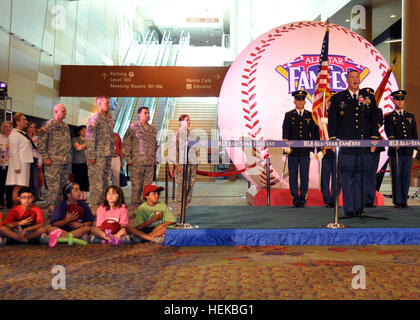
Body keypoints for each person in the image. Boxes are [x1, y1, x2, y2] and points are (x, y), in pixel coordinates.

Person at [328, 69, 379, 217]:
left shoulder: (368, 97)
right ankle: (349, 209)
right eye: (352, 77)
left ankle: (359, 208)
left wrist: (374, 138)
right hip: (346, 145)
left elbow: (374, 118)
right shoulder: (338, 98)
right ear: (347, 80)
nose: (355, 80)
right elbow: (333, 121)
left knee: (361, 177)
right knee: (348, 176)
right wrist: (332, 140)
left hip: (363, 145)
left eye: (357, 77)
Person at [282, 90, 320, 208]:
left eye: (302, 99)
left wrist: (313, 150)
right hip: (292, 152)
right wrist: (286, 148)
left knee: (304, 175)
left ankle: (303, 198)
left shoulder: (310, 115)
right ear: (294, 101)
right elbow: (285, 134)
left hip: (305, 152)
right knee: (293, 175)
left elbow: (314, 135)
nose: (300, 102)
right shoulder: (289, 115)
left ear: (304, 101)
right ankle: (295, 198)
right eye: (298, 99)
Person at [384, 90, 418, 208]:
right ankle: (397, 200)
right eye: (397, 99)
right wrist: (394, 142)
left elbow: (414, 134)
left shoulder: (410, 116)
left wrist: (415, 148)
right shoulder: (389, 117)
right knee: (396, 175)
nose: (400, 101)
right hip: (396, 151)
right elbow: (389, 133)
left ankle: (404, 199)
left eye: (402, 99)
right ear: (393, 101)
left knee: (405, 175)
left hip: (407, 151)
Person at [38, 104, 72, 213]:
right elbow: (41, 143)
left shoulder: (65, 126)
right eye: (63, 111)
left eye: (65, 111)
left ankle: (60, 209)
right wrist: (45, 157)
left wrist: (69, 156)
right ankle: (52, 210)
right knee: (53, 187)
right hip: (52, 162)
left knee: (63, 186)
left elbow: (67, 142)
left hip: (64, 162)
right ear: (56, 111)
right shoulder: (48, 125)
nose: (65, 113)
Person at [123, 107, 157, 207]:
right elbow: (126, 143)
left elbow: (155, 144)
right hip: (136, 162)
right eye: (145, 113)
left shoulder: (153, 129)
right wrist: (128, 158)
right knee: (136, 186)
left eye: (148, 113)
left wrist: (155, 158)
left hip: (149, 162)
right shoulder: (133, 127)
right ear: (139, 114)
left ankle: (146, 206)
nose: (147, 115)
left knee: (148, 186)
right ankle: (135, 206)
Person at [85, 95, 115, 215]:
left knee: (105, 180)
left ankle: (104, 204)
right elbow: (90, 138)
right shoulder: (94, 120)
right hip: (97, 156)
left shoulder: (108, 119)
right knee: (96, 181)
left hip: (107, 154)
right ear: (99, 104)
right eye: (106, 103)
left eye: (108, 103)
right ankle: (95, 206)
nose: (108, 106)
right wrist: (91, 155)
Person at [169, 114, 198, 215]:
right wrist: (177, 165)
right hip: (182, 165)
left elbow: (195, 150)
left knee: (190, 187)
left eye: (190, 120)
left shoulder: (192, 135)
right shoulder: (176, 135)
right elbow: (172, 151)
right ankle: (180, 211)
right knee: (182, 188)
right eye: (187, 120)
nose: (189, 122)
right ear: (181, 122)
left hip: (191, 166)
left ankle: (187, 208)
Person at [361, 88, 385, 208]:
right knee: (361, 174)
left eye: (371, 97)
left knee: (371, 174)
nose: (368, 99)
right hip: (362, 145)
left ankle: (369, 200)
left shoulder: (377, 111)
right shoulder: (359, 110)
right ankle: (360, 199)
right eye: (367, 97)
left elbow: (377, 124)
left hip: (374, 146)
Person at [318, 91, 341, 208]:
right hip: (326, 151)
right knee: (325, 177)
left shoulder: (341, 116)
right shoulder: (321, 117)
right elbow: (317, 135)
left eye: (332, 102)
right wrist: (318, 150)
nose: (330, 104)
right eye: (328, 102)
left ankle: (334, 198)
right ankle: (327, 199)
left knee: (337, 177)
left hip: (337, 151)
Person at [6, 112, 34, 206]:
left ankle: (19, 209)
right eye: (24, 119)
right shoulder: (14, 134)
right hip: (19, 164)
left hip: (24, 163)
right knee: (17, 188)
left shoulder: (21, 133)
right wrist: (17, 166)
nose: (26, 121)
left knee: (20, 187)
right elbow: (14, 152)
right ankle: (16, 209)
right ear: (17, 122)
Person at [25, 122, 42, 202]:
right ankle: (24, 197)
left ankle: (34, 198)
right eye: (30, 127)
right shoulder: (23, 136)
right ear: (27, 127)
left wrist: (39, 162)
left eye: (33, 127)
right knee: (25, 180)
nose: (32, 129)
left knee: (34, 181)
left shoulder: (37, 138)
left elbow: (40, 152)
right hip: (25, 159)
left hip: (34, 159)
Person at [71, 125, 89, 202]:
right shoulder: (75, 139)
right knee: (78, 180)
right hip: (77, 162)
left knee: (85, 180)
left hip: (86, 162)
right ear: (79, 131)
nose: (84, 132)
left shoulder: (88, 139)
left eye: (85, 130)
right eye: (82, 130)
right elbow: (78, 148)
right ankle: (78, 197)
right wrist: (86, 142)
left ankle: (84, 198)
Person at [0, 121, 13, 209]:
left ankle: (9, 203)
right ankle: (0, 202)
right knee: (1, 184)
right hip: (2, 163)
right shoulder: (0, 138)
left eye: (9, 127)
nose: (7, 128)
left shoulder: (13, 138)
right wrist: (5, 148)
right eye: (5, 127)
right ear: (2, 128)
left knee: (10, 184)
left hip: (12, 164)